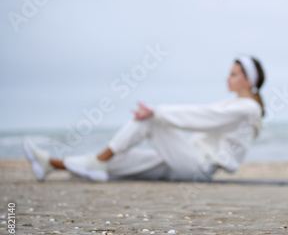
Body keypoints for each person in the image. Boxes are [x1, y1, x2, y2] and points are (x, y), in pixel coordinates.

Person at [24, 56, 265, 182]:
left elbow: (201, 117)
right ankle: (51, 164)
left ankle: (98, 160)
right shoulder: (235, 104)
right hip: (185, 161)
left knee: (151, 120)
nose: (227, 78)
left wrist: (157, 111)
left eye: (233, 74)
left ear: (248, 81)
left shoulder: (248, 109)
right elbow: (205, 115)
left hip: (197, 168)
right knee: (122, 162)